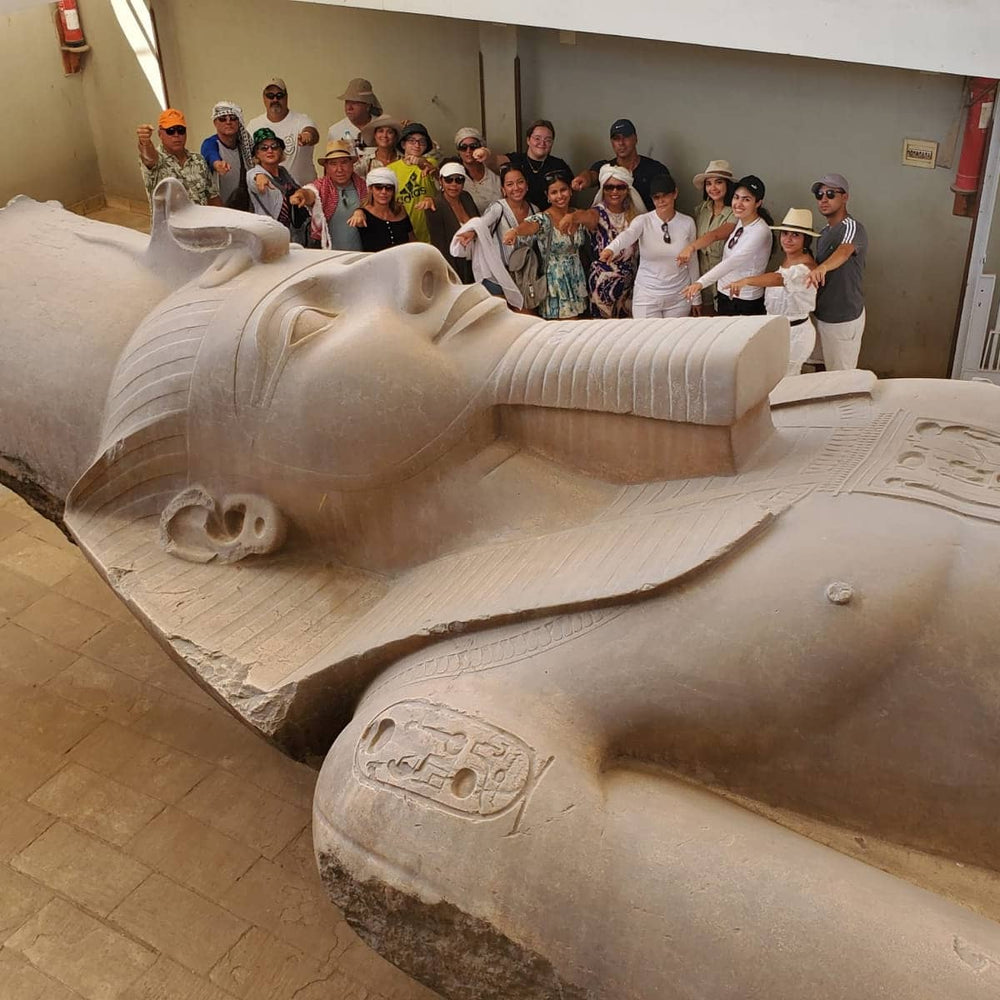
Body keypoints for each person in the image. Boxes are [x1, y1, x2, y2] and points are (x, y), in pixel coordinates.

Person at [728, 208, 820, 376]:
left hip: (795, 334)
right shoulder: (788, 260)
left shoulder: (806, 268)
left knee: (787, 378)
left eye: (795, 235)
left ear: (805, 240)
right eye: (785, 234)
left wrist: (747, 281)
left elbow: (780, 279)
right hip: (777, 330)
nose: (788, 239)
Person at [599, 172, 700, 319]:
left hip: (679, 295)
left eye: (665, 196)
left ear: (675, 193)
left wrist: (696, 298)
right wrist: (611, 249)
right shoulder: (643, 221)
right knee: (646, 333)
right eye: (656, 197)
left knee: (676, 334)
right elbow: (628, 235)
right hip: (647, 294)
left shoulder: (687, 222)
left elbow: (693, 261)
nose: (661, 201)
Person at [560, 164, 642, 318]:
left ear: (627, 189)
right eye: (609, 187)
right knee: (604, 329)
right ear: (603, 190)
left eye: (620, 187)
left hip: (631, 283)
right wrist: (572, 217)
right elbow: (585, 215)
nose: (614, 191)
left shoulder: (635, 215)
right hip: (604, 282)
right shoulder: (598, 212)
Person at [683, 175, 773, 316]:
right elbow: (718, 241)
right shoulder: (741, 221)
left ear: (758, 203)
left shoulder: (760, 230)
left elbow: (733, 261)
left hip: (744, 299)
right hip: (725, 293)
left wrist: (700, 283)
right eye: (736, 197)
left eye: (746, 199)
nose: (739, 203)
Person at [503, 170, 587, 319]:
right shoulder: (544, 218)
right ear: (547, 196)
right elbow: (530, 225)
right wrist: (515, 232)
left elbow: (593, 218)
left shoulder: (577, 214)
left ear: (570, 190)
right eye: (554, 192)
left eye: (563, 190)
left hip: (576, 277)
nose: (560, 196)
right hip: (556, 281)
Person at [807, 173, 868, 370]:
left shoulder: (852, 227)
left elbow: (844, 251)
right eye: (819, 194)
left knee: (841, 377)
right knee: (821, 368)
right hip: (822, 314)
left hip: (843, 317)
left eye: (831, 194)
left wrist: (823, 267)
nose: (824, 199)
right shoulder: (824, 233)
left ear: (845, 197)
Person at [675, 160, 737, 317]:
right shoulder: (702, 209)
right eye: (709, 183)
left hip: (725, 278)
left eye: (718, 182)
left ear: (728, 185)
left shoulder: (736, 211)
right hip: (703, 276)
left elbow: (715, 235)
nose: (713, 188)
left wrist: (691, 247)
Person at [570, 118, 670, 211]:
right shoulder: (606, 168)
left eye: (626, 137)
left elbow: (666, 204)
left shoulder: (655, 170)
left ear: (635, 139)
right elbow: (592, 175)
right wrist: (583, 178)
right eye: (616, 138)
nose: (621, 143)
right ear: (611, 142)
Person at [475, 119, 572, 210]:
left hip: (551, 217)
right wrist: (485, 153)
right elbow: (494, 161)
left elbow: (570, 192)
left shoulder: (559, 165)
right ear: (528, 140)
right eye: (537, 138)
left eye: (548, 140)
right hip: (518, 215)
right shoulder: (516, 160)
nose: (542, 143)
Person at [291, 140, 367, 251]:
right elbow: (310, 193)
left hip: (361, 254)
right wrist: (301, 195)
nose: (339, 169)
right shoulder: (321, 187)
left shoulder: (363, 186)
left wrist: (362, 211)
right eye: (333, 164)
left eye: (344, 162)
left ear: (352, 164)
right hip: (330, 253)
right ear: (326, 167)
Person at [136, 109, 220, 207]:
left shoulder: (198, 160)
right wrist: (145, 143)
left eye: (181, 130)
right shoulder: (157, 160)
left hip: (200, 216)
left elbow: (212, 196)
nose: (176, 135)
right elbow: (149, 158)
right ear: (160, 134)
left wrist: (226, 215)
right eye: (170, 131)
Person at [246, 77, 319, 186]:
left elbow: (313, 133)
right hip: (269, 191)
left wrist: (307, 136)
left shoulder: (302, 120)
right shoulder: (254, 125)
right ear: (264, 98)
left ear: (286, 97)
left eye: (279, 95)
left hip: (306, 190)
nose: (275, 100)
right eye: (270, 96)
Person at [247, 128, 308, 243]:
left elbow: (298, 189)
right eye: (264, 148)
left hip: (291, 235)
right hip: (268, 236)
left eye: (274, 147)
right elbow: (253, 179)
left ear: (280, 151)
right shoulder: (254, 173)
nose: (270, 150)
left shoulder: (283, 172)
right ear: (257, 154)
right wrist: (259, 177)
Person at [426, 162, 480, 283]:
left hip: (475, 262)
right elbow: (440, 244)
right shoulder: (435, 205)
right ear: (441, 181)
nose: (454, 185)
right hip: (453, 266)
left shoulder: (466, 197)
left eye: (459, 180)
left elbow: (478, 223)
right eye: (449, 180)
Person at [199, 101, 254, 210]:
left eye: (233, 118)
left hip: (246, 209)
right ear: (215, 123)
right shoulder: (210, 143)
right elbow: (211, 154)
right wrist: (217, 164)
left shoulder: (245, 146)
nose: (228, 122)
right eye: (222, 119)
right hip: (221, 211)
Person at [390, 122, 438, 244]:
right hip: (402, 232)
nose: (417, 145)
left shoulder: (431, 162)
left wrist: (421, 163)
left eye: (422, 142)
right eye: (412, 141)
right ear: (403, 144)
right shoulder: (391, 169)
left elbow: (431, 168)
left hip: (429, 232)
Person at [348, 166, 414, 251]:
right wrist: (358, 212)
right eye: (378, 187)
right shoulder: (363, 214)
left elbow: (412, 240)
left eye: (388, 188)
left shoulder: (400, 210)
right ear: (370, 189)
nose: (383, 192)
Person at [327, 77, 382, 153]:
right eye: (347, 102)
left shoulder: (383, 127)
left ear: (368, 105)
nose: (349, 108)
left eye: (355, 103)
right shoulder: (335, 131)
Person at [453, 128, 501, 213]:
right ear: (458, 151)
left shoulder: (493, 171)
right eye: (463, 147)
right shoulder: (454, 176)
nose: (468, 151)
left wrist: (487, 153)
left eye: (473, 146)